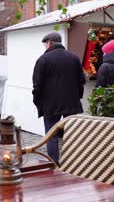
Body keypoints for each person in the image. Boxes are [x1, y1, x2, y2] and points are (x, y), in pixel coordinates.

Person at [32, 32, 85, 165]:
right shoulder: (74, 58)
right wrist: (77, 96)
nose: (45, 46)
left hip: (50, 104)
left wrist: (37, 101)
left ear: (49, 42)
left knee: (51, 135)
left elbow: (37, 84)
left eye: (45, 44)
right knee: (72, 133)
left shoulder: (43, 60)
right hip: (71, 102)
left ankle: (54, 163)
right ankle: (73, 162)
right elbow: (81, 80)